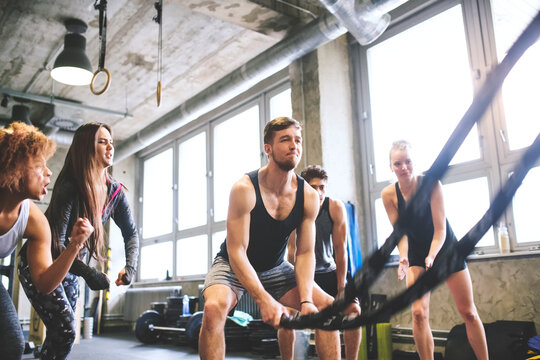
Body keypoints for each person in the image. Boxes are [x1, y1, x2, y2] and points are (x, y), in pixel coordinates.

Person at [199, 117, 340, 360]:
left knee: (326, 307)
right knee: (213, 308)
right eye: (285, 140)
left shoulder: (307, 195)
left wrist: (306, 299)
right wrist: (263, 299)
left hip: (275, 267)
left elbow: (305, 253)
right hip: (233, 264)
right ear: (268, 148)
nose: (293, 146)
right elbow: (237, 251)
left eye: (297, 140)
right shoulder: (245, 189)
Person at [18, 122, 139, 360]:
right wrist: (90, 274)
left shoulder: (114, 192)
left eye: (111, 142)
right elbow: (57, 245)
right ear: (86, 148)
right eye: (102, 142)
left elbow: (131, 232)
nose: (110, 147)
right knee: (65, 331)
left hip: (72, 266)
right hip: (41, 262)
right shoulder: (70, 185)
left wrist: (131, 266)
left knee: (61, 337)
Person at [381, 140, 488, 360]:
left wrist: (432, 256)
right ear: (391, 166)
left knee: (468, 312)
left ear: (414, 162)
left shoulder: (431, 185)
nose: (404, 167)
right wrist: (403, 257)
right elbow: (401, 234)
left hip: (445, 247)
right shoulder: (388, 195)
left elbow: (440, 230)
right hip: (416, 252)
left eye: (408, 162)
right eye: (398, 163)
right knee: (418, 313)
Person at [0, 122, 94, 360]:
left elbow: (44, 283)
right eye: (40, 166)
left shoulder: (34, 220)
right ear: (14, 167)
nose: (49, 172)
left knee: (11, 346)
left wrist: (75, 245)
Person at [285, 165, 361, 360]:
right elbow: (291, 253)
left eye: (322, 187)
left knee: (353, 310)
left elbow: (340, 249)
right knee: (286, 317)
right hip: (304, 274)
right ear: (303, 188)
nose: (318, 193)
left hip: (329, 271)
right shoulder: (295, 210)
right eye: (313, 187)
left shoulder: (334, 207)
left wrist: (341, 285)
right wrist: (299, 292)